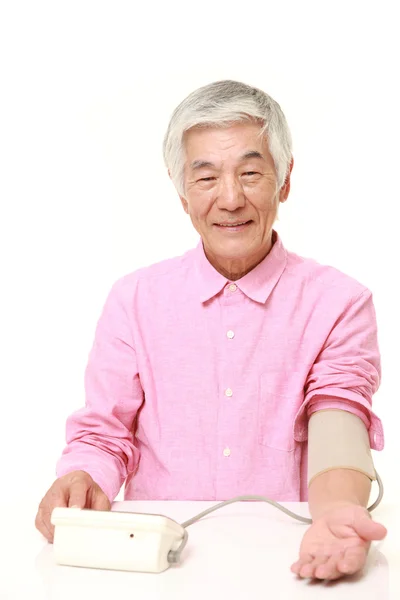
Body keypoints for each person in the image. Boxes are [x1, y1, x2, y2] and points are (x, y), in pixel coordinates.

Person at [35, 79, 387, 580]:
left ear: (285, 180)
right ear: (182, 193)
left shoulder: (338, 302)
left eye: (250, 173)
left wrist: (334, 516)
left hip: (288, 555)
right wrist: (80, 478)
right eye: (205, 178)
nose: (230, 198)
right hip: (153, 562)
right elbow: (105, 432)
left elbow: (338, 419)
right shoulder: (134, 299)